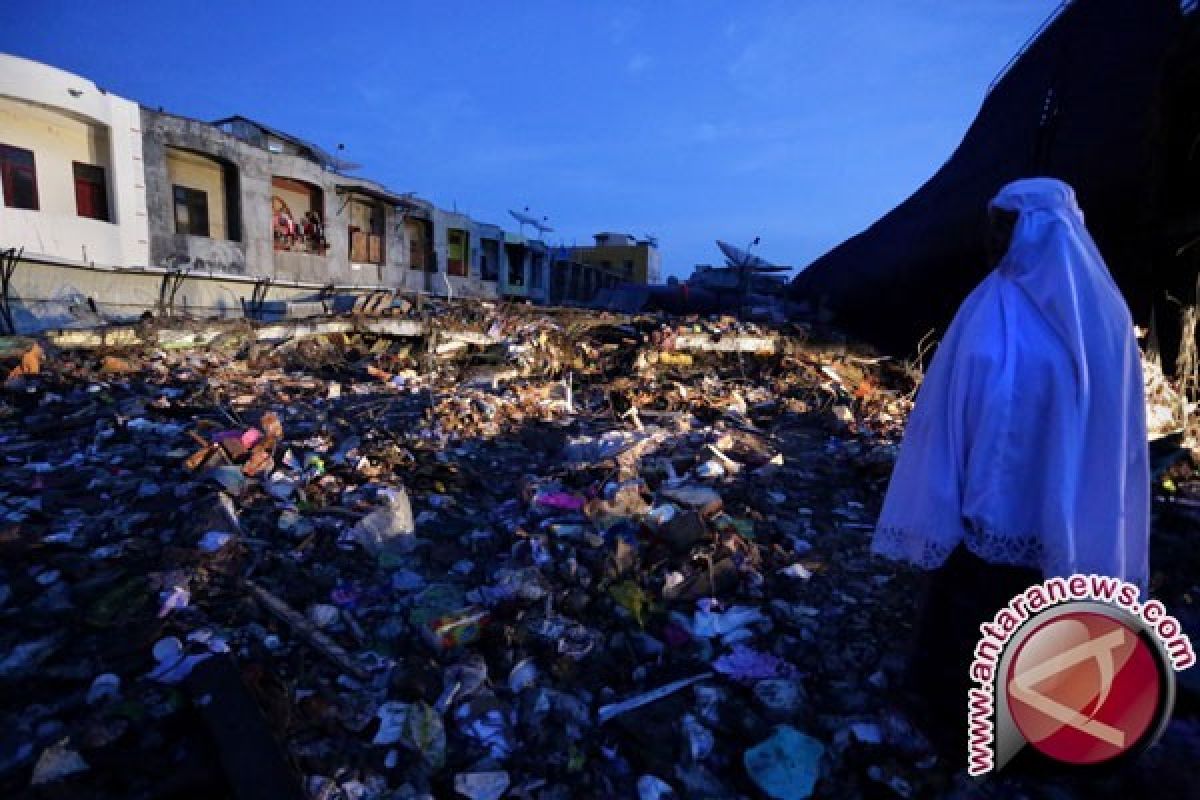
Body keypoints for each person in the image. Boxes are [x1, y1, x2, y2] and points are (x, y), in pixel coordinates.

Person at [871, 177, 1149, 755]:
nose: (993, 241)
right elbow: (950, 407)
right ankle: (971, 728)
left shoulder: (1096, 317)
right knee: (974, 625)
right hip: (995, 507)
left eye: (1003, 227)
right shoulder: (998, 304)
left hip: (1048, 506)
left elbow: (1112, 430)